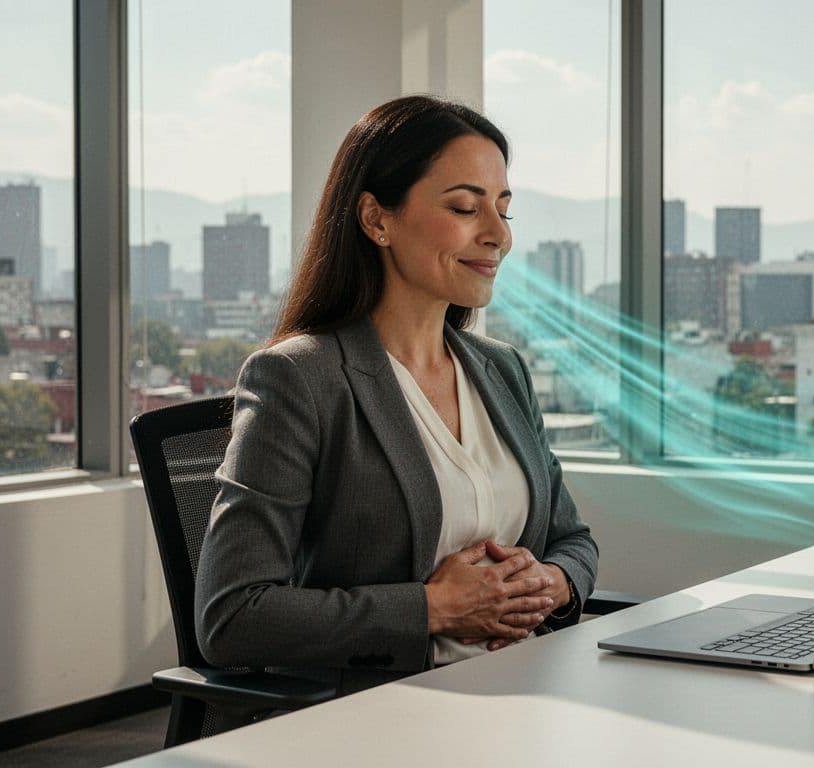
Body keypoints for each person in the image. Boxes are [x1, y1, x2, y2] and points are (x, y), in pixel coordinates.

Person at [194, 96, 598, 691]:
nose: (497, 237)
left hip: (528, 686)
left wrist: (552, 582)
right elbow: (232, 616)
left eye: (504, 211)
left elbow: (572, 541)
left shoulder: (502, 369)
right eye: (465, 207)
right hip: (389, 710)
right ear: (377, 219)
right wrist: (437, 608)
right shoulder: (298, 379)